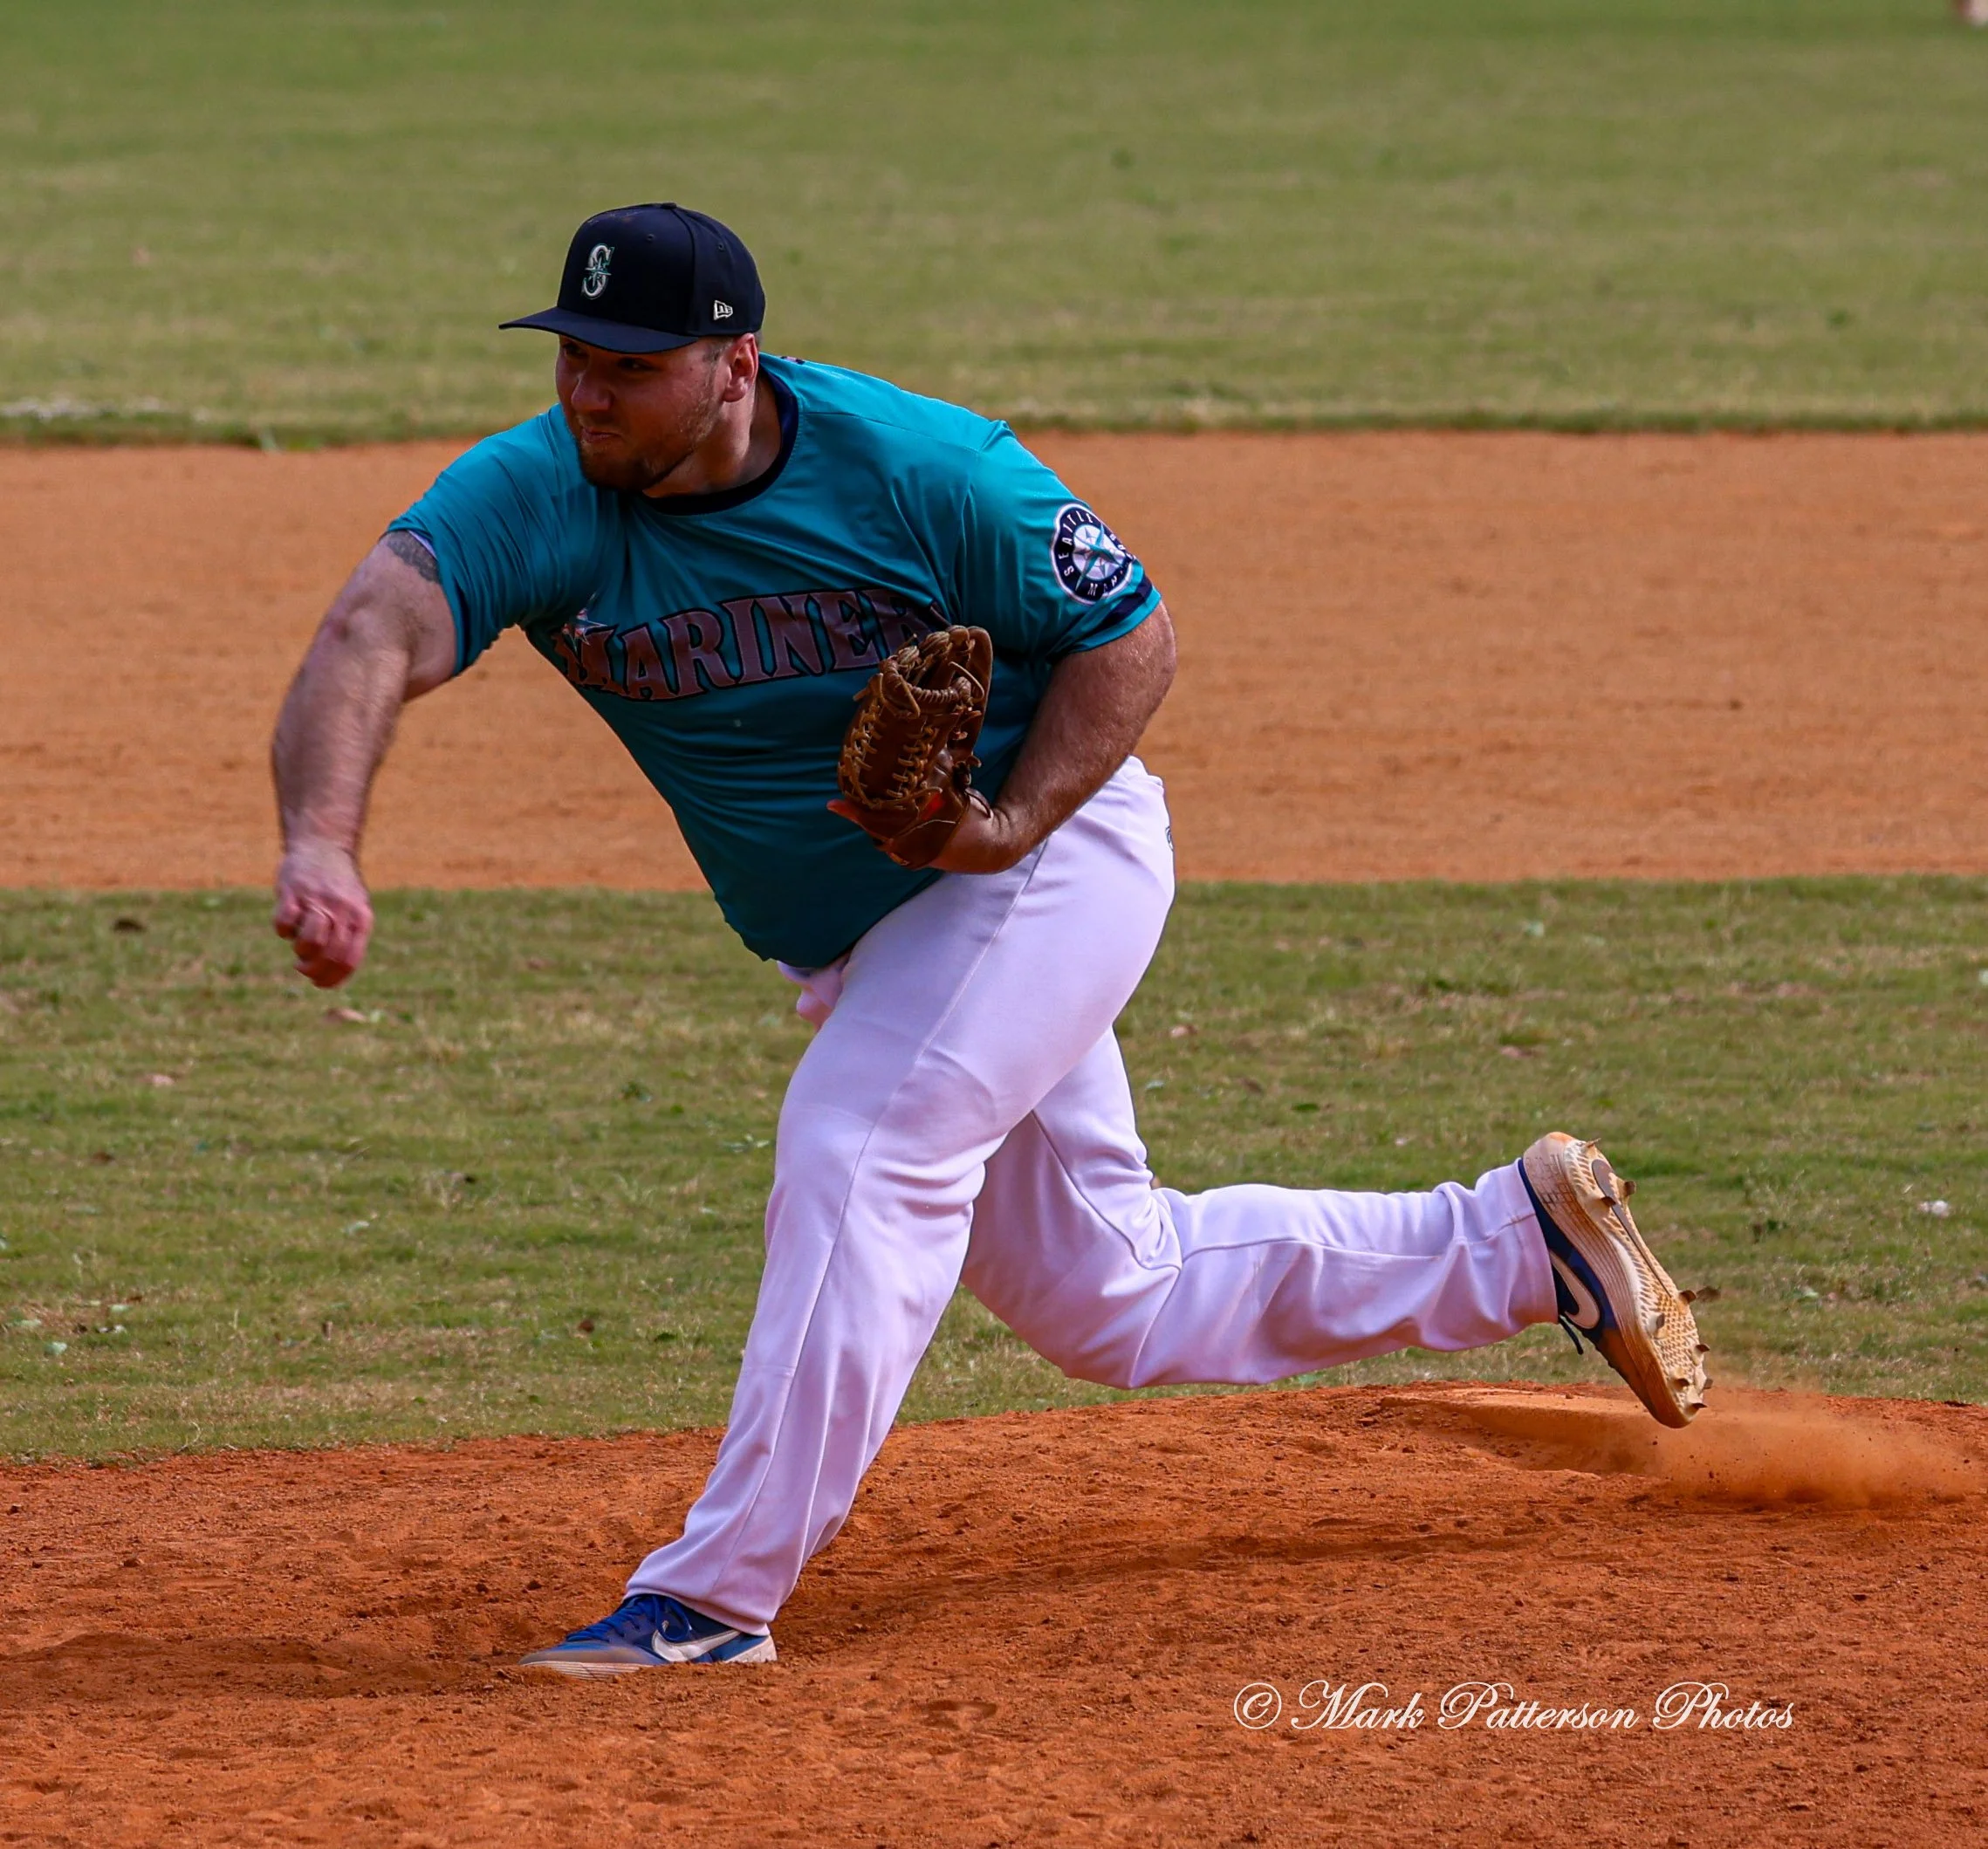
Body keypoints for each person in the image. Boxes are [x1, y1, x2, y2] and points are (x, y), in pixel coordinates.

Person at [270, 203, 1708, 1674]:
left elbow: (1130, 633)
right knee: (1111, 1292)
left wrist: (1011, 819)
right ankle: (1517, 1245)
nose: (587, 389)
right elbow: (369, 632)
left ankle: (710, 1598)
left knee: (864, 1141)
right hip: (875, 937)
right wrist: (322, 838)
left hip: (1045, 860)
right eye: (574, 354)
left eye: (629, 364)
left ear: (732, 366)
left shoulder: (920, 470)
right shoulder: (540, 490)